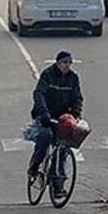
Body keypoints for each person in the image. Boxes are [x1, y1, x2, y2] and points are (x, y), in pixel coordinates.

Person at [28, 51, 83, 199]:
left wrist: (75, 115)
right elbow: (38, 93)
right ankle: (34, 167)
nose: (67, 66)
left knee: (62, 147)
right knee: (45, 137)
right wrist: (44, 113)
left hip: (63, 118)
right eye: (64, 63)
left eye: (69, 63)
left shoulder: (73, 78)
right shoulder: (48, 74)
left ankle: (57, 184)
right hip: (46, 115)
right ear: (58, 63)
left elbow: (77, 98)